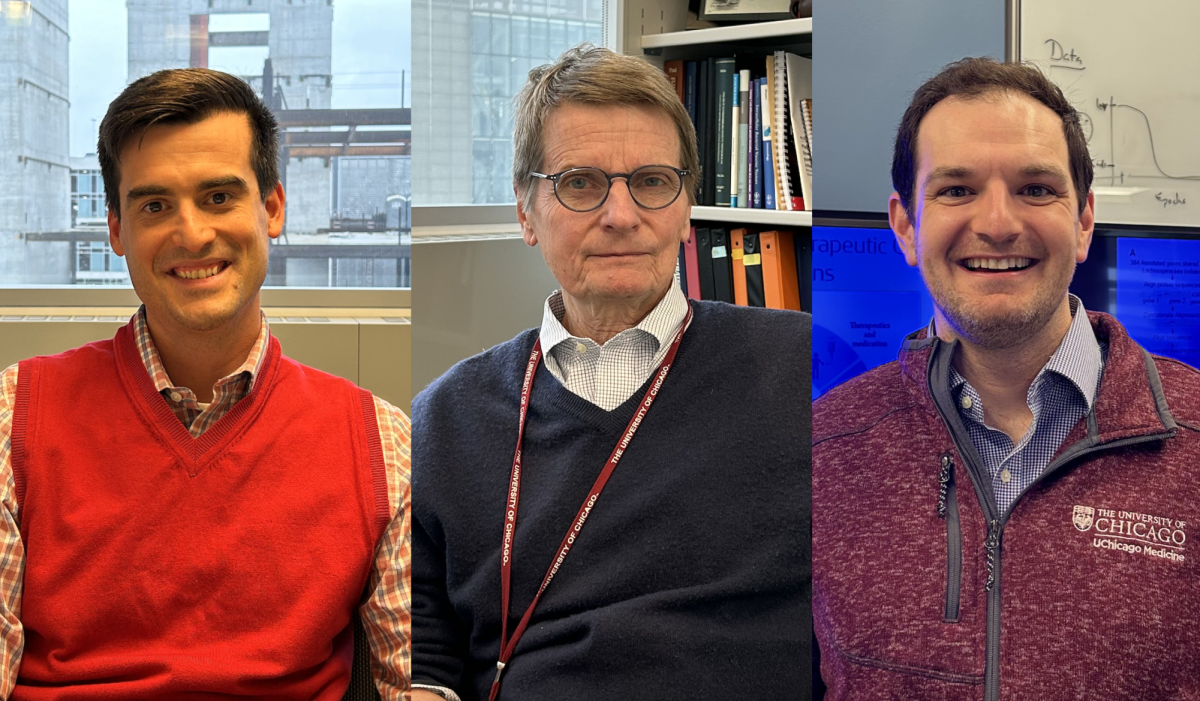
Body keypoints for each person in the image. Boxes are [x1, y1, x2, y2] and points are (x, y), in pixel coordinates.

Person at [410, 46, 810, 701]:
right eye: (580, 182)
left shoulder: (809, 374)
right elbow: (423, 661)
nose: (621, 215)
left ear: (686, 207)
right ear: (524, 211)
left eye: (651, 182)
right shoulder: (444, 421)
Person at [0, 69, 410, 699]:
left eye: (219, 197)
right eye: (155, 205)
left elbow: (417, 677)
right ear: (116, 230)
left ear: (271, 208)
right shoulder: (12, 421)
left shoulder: (382, 445)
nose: (191, 234)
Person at [812, 57, 1200, 700]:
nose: (997, 223)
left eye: (1036, 188)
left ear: (1083, 222)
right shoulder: (823, 447)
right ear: (906, 225)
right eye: (956, 190)